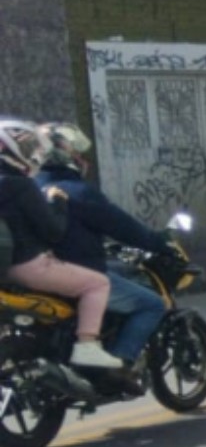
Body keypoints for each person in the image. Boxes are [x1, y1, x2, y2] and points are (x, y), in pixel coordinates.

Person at [35, 122, 177, 386]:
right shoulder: (76, 191)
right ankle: (121, 363)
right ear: (66, 155)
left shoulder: (28, 188)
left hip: (35, 272)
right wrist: (158, 242)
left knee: (117, 272)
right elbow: (122, 226)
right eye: (77, 152)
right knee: (151, 304)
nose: (82, 158)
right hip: (76, 271)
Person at [0, 119, 122, 369]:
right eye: (28, 147)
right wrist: (58, 201)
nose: (34, 153)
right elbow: (53, 231)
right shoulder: (21, 185)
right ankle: (87, 345)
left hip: (6, 269)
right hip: (29, 265)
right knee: (98, 284)